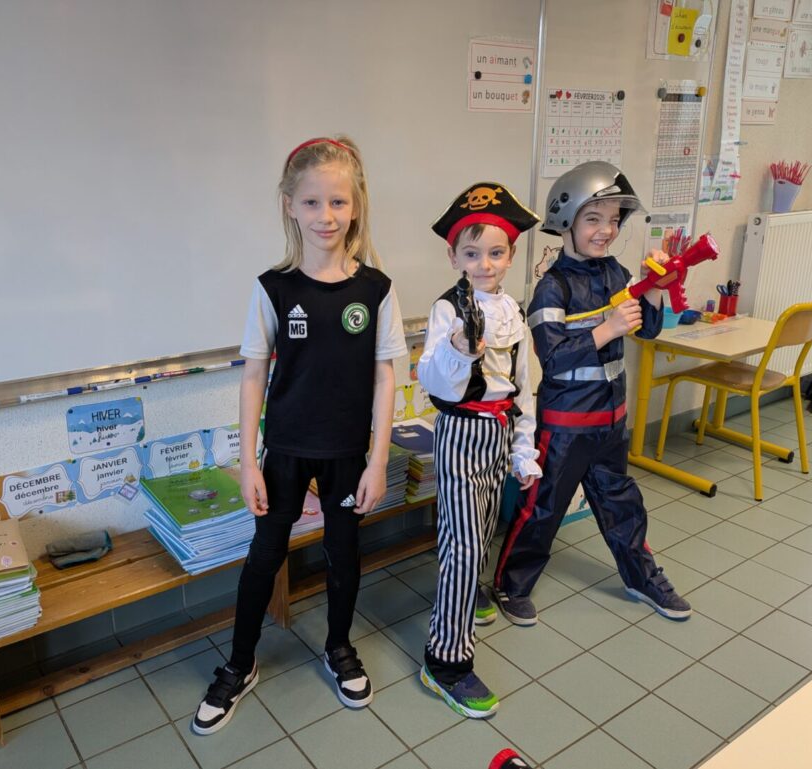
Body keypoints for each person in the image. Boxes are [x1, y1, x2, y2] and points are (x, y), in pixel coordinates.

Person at [191, 136, 407, 735]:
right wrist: (248, 463)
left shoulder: (377, 289)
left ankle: (339, 647)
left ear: (355, 206)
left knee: (344, 553)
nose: (325, 216)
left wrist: (377, 460)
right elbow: (253, 376)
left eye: (338, 202)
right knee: (264, 555)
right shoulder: (274, 288)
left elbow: (385, 376)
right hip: (284, 451)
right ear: (289, 205)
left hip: (348, 453)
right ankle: (239, 664)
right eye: (311, 202)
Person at [493, 161, 692, 625]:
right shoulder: (552, 288)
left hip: (611, 422)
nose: (607, 230)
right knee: (542, 509)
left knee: (624, 506)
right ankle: (510, 585)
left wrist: (654, 289)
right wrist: (607, 329)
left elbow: (649, 329)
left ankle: (641, 577)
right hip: (565, 427)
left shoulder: (617, 273)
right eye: (593, 219)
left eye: (614, 220)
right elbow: (553, 358)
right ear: (566, 220)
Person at [416, 183, 543, 718]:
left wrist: (523, 448)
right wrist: (458, 350)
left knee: (483, 526)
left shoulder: (513, 310)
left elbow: (523, 386)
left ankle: (468, 595)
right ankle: (445, 660)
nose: (484, 264)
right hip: (461, 431)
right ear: (454, 256)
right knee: (463, 545)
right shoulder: (448, 310)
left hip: (499, 432)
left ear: (511, 255)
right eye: (472, 254)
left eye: (495, 253)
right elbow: (432, 380)